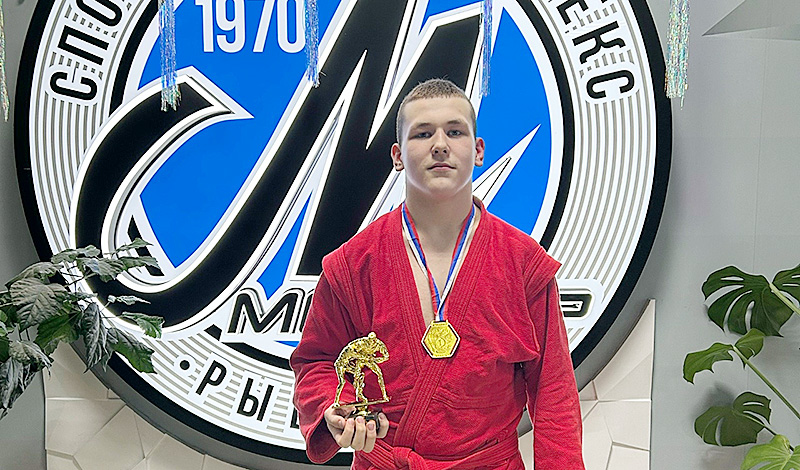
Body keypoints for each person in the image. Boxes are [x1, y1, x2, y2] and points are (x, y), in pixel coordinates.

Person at [290, 79, 584, 469]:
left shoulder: (522, 264)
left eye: (455, 132)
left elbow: (554, 395)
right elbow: (316, 361)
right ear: (398, 156)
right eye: (423, 133)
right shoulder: (353, 264)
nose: (440, 144)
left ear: (478, 151)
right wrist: (333, 407)